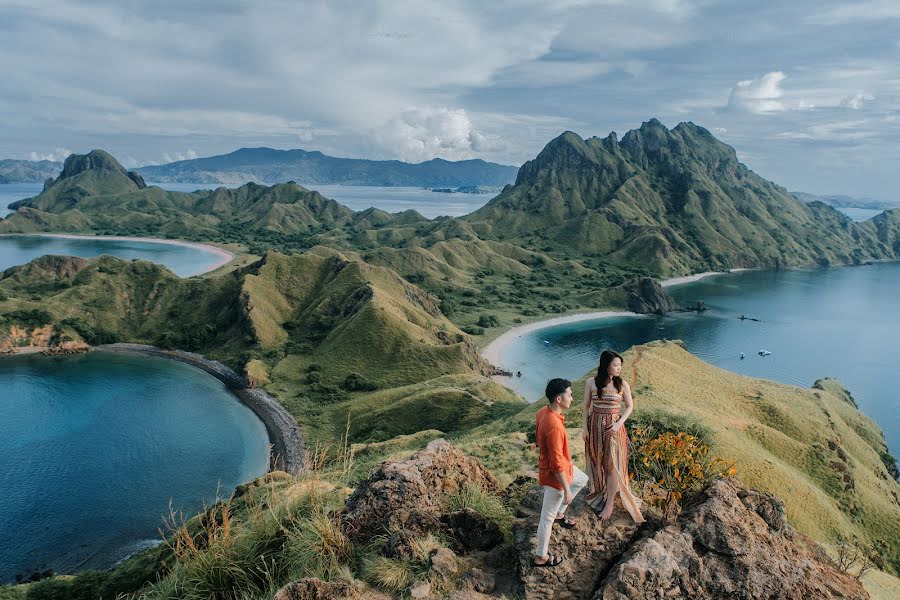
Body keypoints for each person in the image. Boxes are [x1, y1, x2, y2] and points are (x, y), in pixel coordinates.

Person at [582, 350, 645, 523]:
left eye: (620, 366)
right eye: (615, 365)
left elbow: (630, 406)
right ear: (606, 365)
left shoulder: (622, 384)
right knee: (597, 461)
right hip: (594, 427)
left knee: (611, 465)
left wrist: (619, 424)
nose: (619, 369)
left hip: (614, 429)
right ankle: (601, 490)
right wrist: (584, 428)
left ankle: (609, 502)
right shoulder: (591, 383)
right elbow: (586, 406)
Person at [533, 378, 588, 567]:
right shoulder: (555, 426)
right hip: (555, 476)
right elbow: (556, 464)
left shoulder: (543, 412)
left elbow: (539, 435)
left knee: (582, 479)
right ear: (559, 398)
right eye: (570, 395)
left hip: (563, 467)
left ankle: (560, 514)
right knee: (545, 519)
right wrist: (566, 489)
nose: (572, 398)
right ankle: (541, 556)